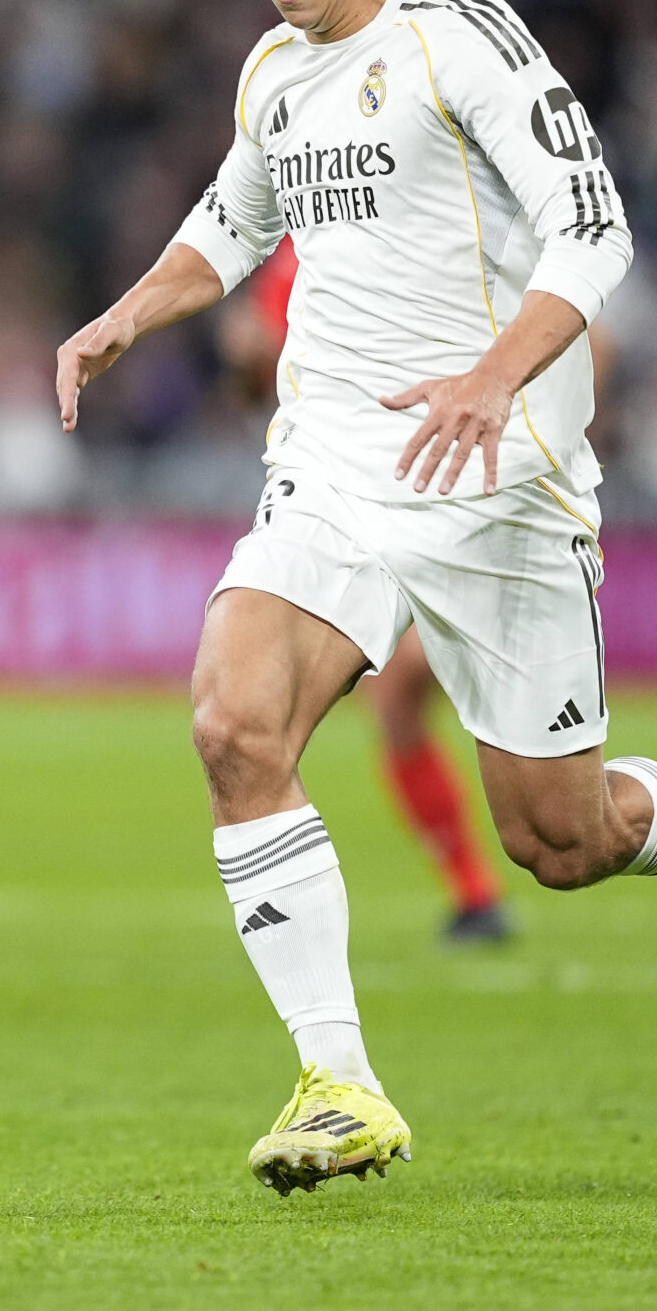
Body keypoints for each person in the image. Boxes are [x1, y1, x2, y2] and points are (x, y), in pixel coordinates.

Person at [54, 0, 657, 1197]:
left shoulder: (464, 41)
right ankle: (340, 1080)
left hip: (499, 472)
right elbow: (230, 221)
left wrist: (491, 374)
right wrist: (124, 313)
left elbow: (596, 230)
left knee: (558, 839)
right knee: (231, 724)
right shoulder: (273, 75)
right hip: (335, 456)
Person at [231, 244, 512, 946]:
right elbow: (261, 357)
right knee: (398, 699)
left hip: (456, 491)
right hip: (374, 494)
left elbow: (257, 349)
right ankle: (475, 895)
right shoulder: (303, 247)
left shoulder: (412, 220)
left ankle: (487, 883)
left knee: (552, 814)